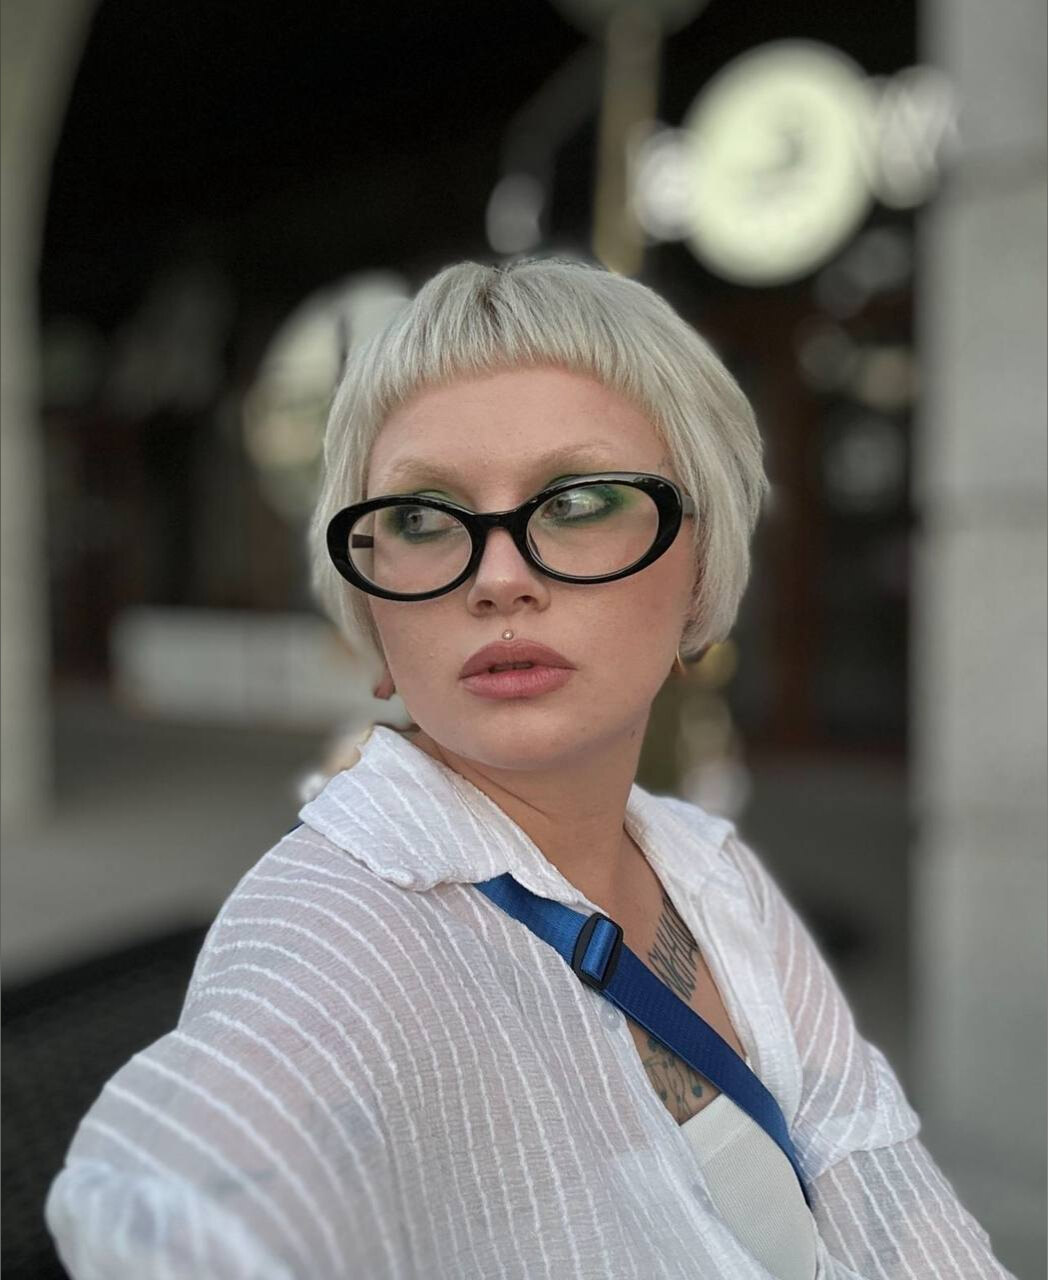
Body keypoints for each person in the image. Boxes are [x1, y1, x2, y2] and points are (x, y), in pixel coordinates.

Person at [46, 258, 1014, 1279]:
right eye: (421, 517)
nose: (498, 576)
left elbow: (897, 1218)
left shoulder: (711, 875)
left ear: (699, 572)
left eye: (578, 500)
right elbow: (176, 1206)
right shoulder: (339, 931)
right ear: (370, 608)